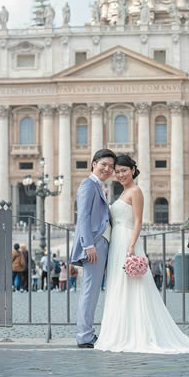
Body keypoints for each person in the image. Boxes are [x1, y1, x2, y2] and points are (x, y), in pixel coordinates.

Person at [95, 154, 189, 353]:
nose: (120, 174)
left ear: (133, 170)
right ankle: (121, 331)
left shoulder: (136, 191)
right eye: (117, 172)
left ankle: (134, 332)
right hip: (117, 241)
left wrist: (131, 246)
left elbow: (139, 221)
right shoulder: (121, 193)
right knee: (119, 286)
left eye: (124, 170)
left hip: (127, 242)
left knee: (133, 288)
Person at [70, 147, 115, 347]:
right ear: (94, 164)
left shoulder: (99, 186)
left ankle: (87, 333)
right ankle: (84, 336)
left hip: (101, 243)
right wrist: (88, 245)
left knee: (93, 290)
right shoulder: (88, 184)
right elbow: (84, 217)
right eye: (103, 164)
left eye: (111, 166)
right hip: (94, 244)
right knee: (89, 290)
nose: (107, 168)